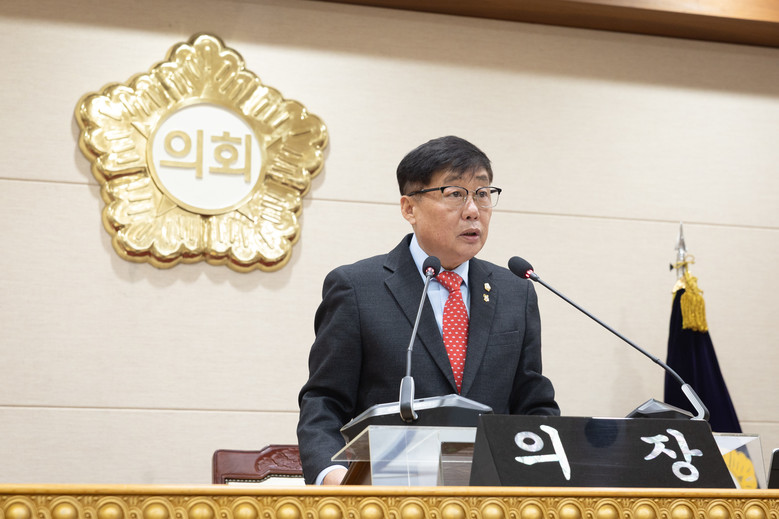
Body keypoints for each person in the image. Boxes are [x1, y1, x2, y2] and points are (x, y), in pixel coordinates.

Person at [296, 136, 559, 485]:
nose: (473, 210)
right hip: (388, 495)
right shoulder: (357, 288)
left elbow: (534, 404)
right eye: (455, 193)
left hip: (492, 495)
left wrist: (547, 474)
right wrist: (336, 481)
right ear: (409, 208)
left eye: (482, 193)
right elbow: (324, 402)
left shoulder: (515, 291)